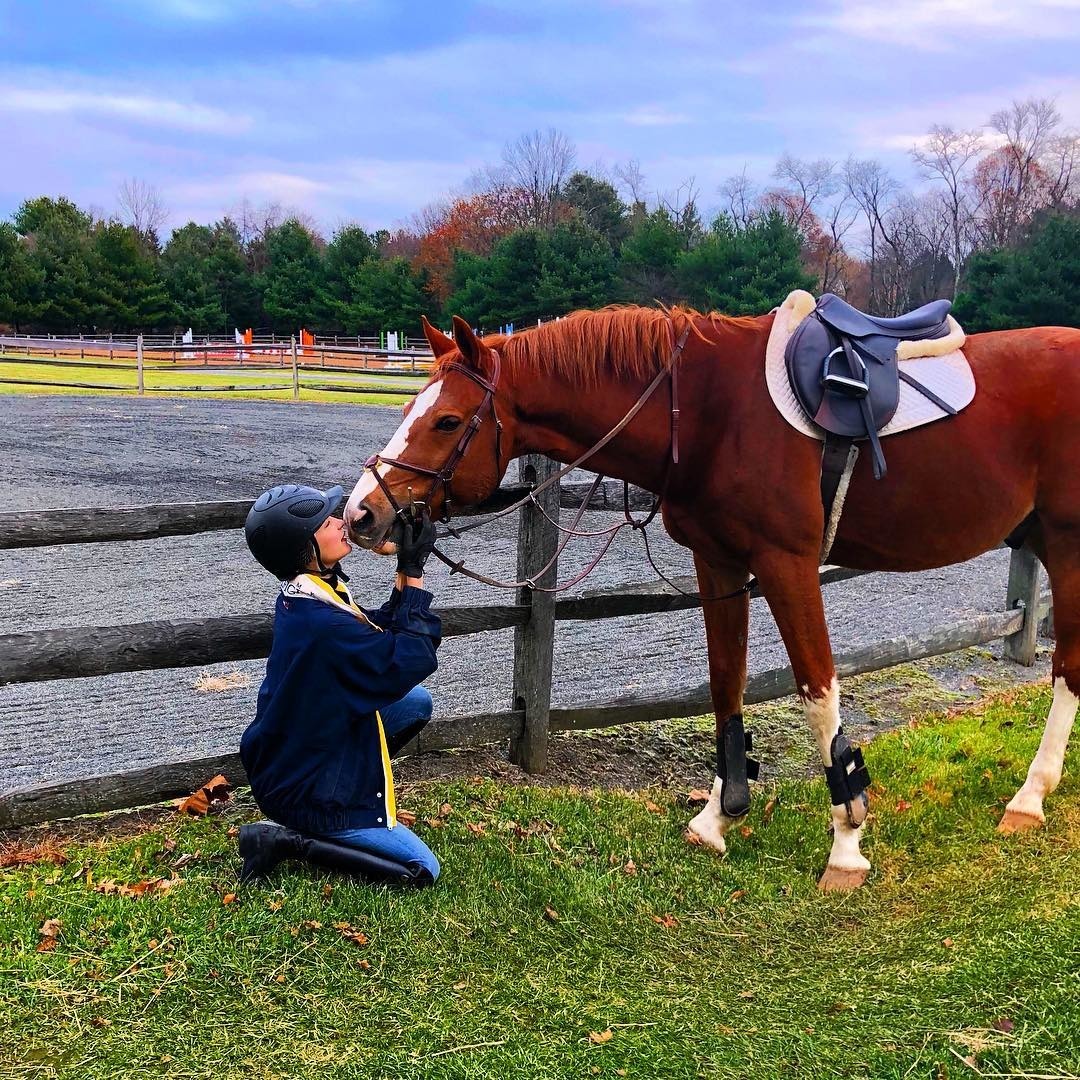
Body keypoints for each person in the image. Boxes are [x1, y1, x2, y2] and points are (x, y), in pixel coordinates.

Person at [237, 483, 441, 886]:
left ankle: (352, 796)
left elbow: (381, 632)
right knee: (422, 871)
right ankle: (287, 839)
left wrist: (406, 562)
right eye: (326, 521)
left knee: (415, 703)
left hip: (293, 758)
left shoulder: (310, 594)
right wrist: (413, 570)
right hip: (302, 789)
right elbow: (410, 657)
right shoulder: (322, 624)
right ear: (303, 547)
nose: (340, 521)